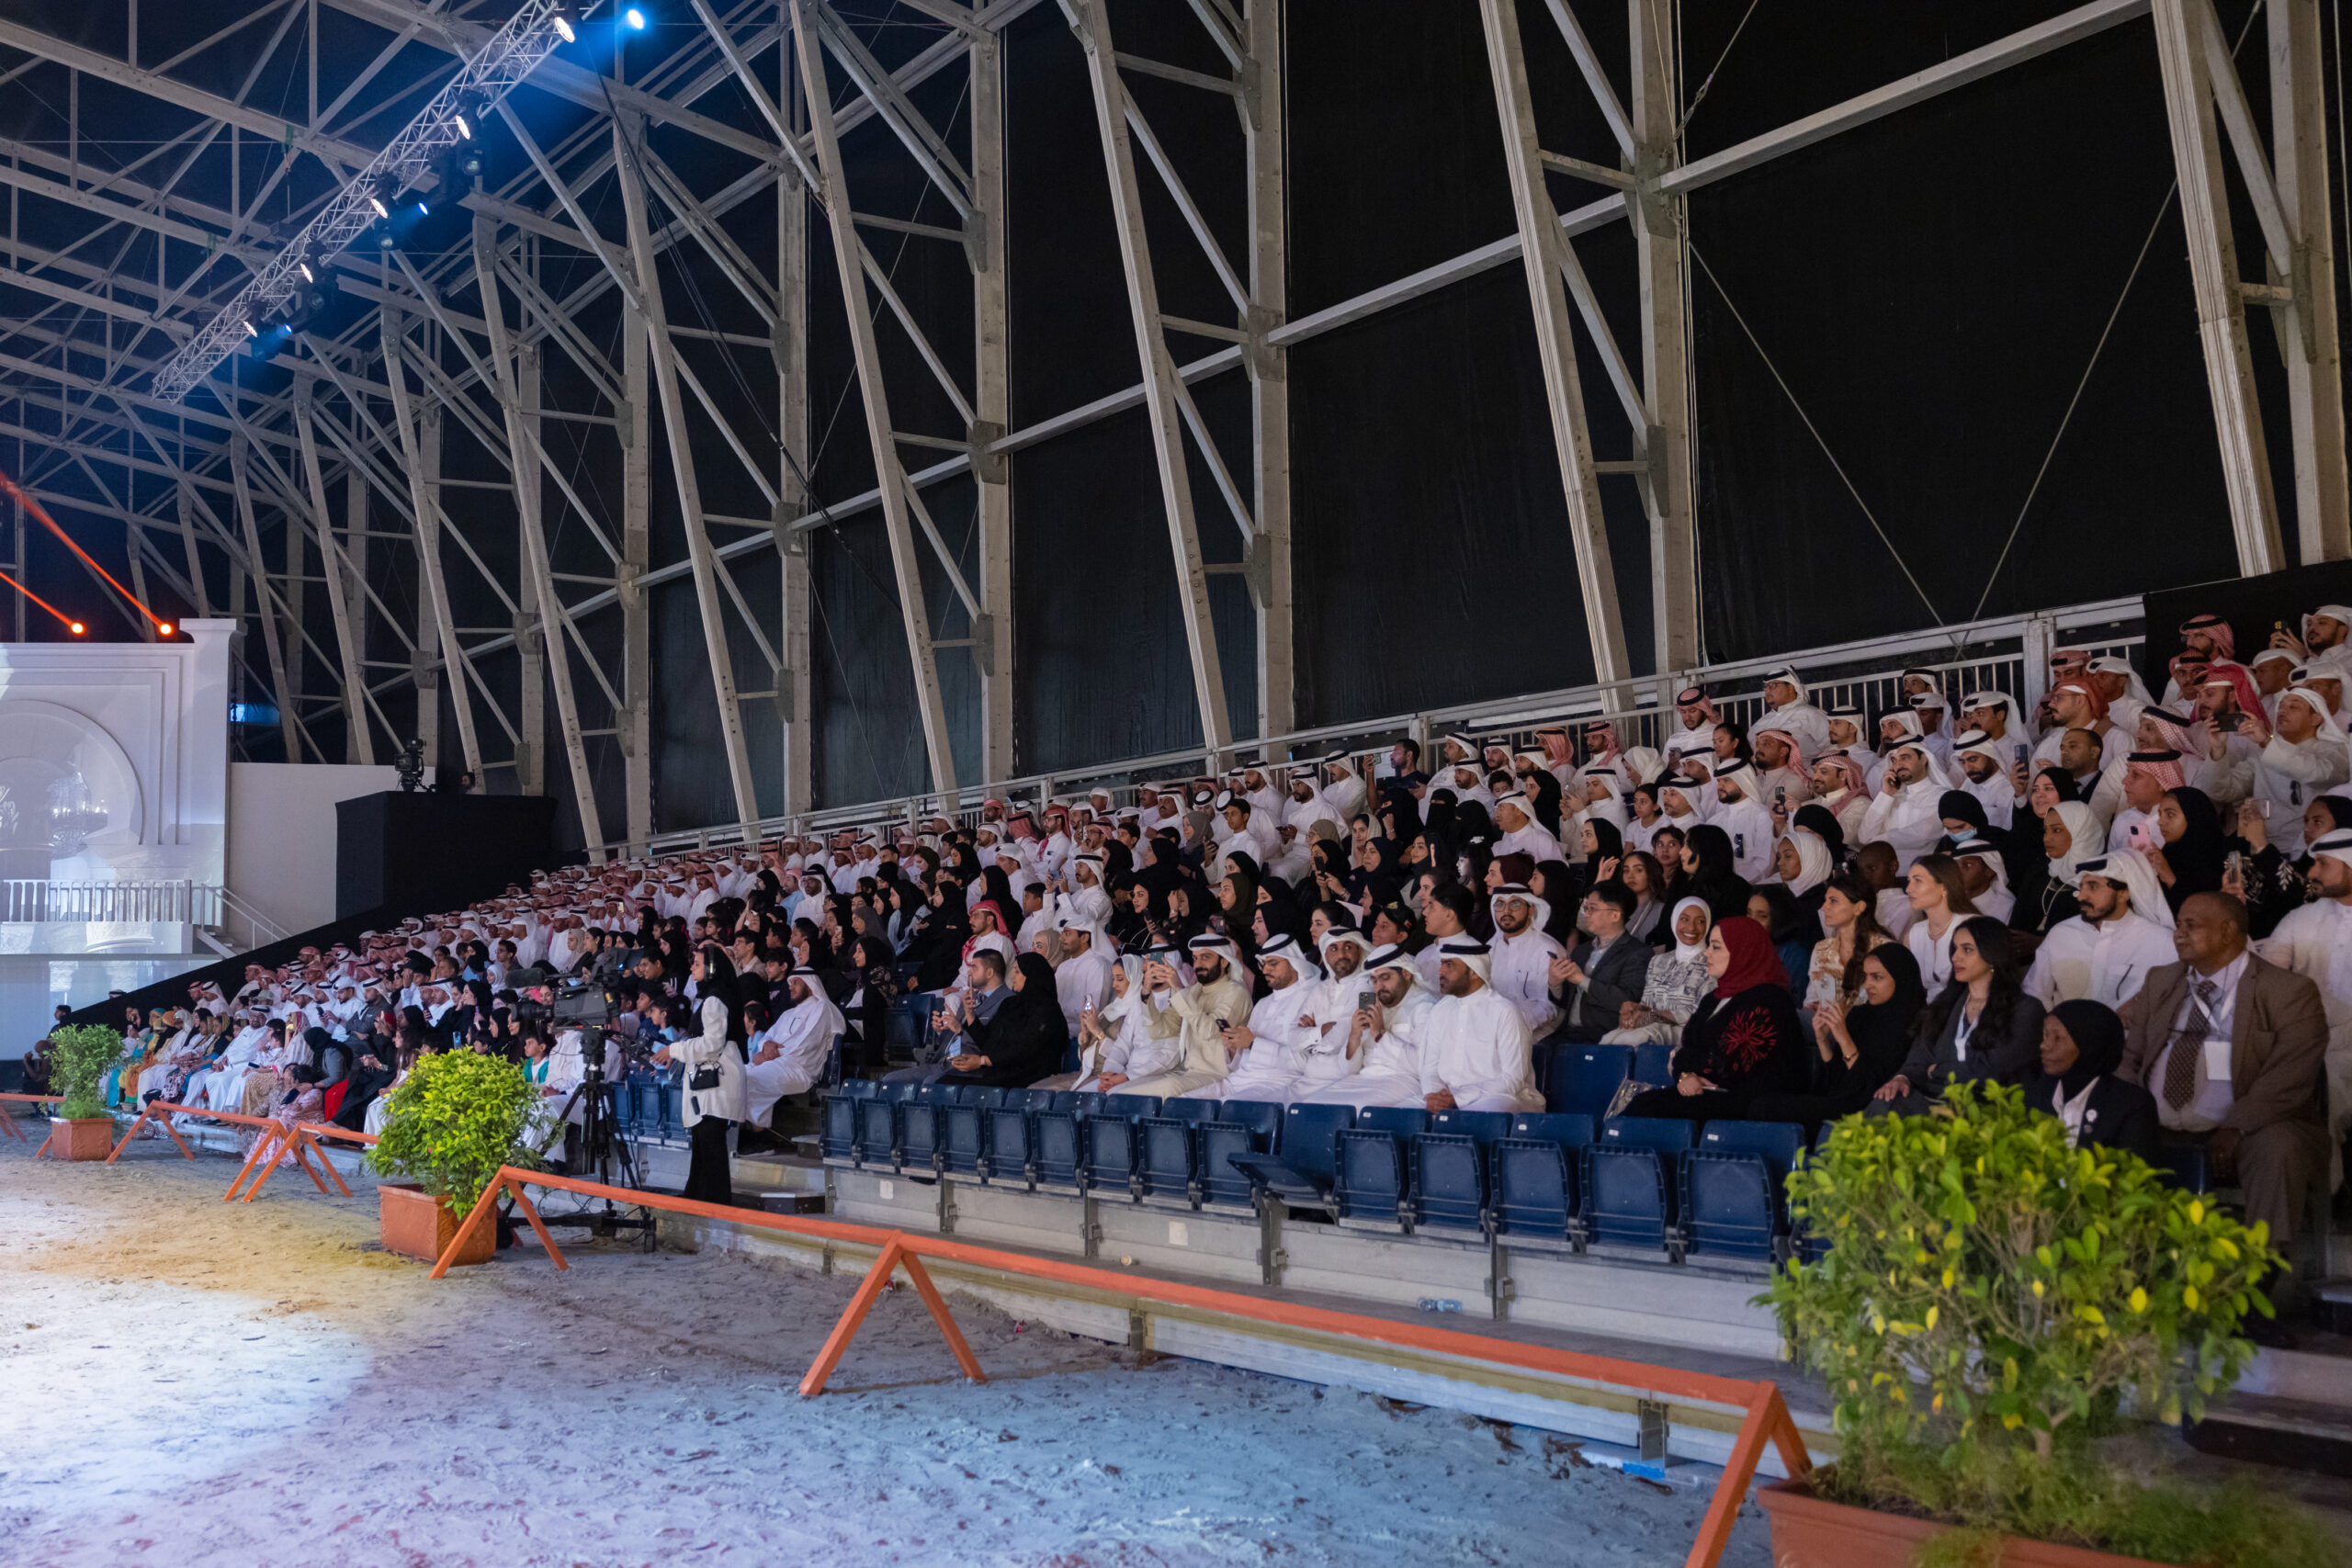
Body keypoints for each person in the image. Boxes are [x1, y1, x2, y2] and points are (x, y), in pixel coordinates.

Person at [2117, 892, 2329, 1306]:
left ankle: (2254, 1287)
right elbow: (2130, 1055)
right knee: (2102, 1126)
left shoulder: (2287, 990)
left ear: (2229, 931)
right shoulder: (2162, 980)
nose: (2179, 934)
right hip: (2157, 1122)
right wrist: (2128, 1110)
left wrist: (2236, 1126)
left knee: (2279, 1148)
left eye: (2191, 925)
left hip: (2250, 1126)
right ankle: (2126, 1279)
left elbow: (2291, 1073)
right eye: (2178, 924)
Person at [1619, 917, 1807, 1122]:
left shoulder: (1769, 1000)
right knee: (1642, 1104)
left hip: (1751, 1103)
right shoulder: (1714, 998)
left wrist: (1689, 1068)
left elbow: (1728, 1065)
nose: (1707, 953)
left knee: (1647, 1108)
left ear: (1742, 952)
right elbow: (1686, 1047)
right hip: (1710, 1095)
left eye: (1716, 947)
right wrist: (1686, 1076)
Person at [1871, 915, 2045, 1115]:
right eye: (1954, 949)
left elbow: (1995, 1069)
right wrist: (1902, 1078)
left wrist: (1936, 1070)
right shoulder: (1947, 1003)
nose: (1955, 957)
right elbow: (1920, 1055)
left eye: (1967, 949)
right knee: (1885, 1100)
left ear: (1993, 954)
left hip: (1986, 1104)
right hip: (1935, 1095)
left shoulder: (2026, 1009)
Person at [1748, 943, 1928, 1131]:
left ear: (1900, 978)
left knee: (1765, 1109)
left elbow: (1868, 1088)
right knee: (1761, 1102)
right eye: (1866, 977)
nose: (1868, 984)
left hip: (1867, 1109)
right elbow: (1834, 1079)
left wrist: (1844, 1039)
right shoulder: (1861, 1014)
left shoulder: (1914, 1024)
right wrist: (1823, 1041)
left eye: (1877, 977)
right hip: (1838, 1099)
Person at [2253, 829, 2352, 1156]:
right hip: (2306, 1040)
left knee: (2323, 1083)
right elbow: (2267, 977)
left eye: (2323, 864)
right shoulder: (2301, 918)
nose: (2311, 873)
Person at [2022, 853, 2177, 1010]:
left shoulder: (2162, 943)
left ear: (2124, 893)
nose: (2081, 896)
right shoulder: (2062, 933)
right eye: (2081, 887)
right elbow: (2035, 994)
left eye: (2093, 887)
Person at [1293, 943, 1440, 1108]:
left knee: (1343, 1110)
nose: (1379, 987)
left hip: (1402, 1080)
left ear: (1406, 973)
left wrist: (1380, 1035)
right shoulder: (1373, 1005)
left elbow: (1424, 1065)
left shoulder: (1425, 1007)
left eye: (1386, 977)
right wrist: (1354, 1036)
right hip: (1362, 1078)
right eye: (1374, 980)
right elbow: (1348, 1069)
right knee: (1309, 1106)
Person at [1182, 932, 1322, 1102]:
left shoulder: (1312, 999)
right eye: (1263, 964)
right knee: (1180, 1102)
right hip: (1239, 1080)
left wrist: (1254, 1044)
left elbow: (1305, 1063)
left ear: (1294, 964)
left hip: (1276, 1082)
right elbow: (1244, 1059)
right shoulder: (1263, 1003)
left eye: (1273, 963)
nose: (1266, 970)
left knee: (1225, 1107)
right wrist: (1233, 1049)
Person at [657, 943, 745, 1205]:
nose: (692, 968)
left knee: (710, 1142)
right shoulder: (710, 997)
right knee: (702, 1140)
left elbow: (712, 1044)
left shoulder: (715, 999)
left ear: (711, 968)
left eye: (697, 964)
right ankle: (698, 1197)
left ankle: (715, 1202)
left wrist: (673, 1049)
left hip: (717, 1080)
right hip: (708, 1079)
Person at [1416, 938, 1543, 1113]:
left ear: (1474, 971)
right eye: (1442, 964)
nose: (1441, 971)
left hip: (1498, 1097)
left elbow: (1513, 1079)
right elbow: (1430, 1069)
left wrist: (1458, 1099)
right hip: (1448, 1095)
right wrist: (1434, 1096)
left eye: (1449, 965)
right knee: (1401, 1112)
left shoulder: (1505, 1011)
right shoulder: (1440, 1010)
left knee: (1488, 1112)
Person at [1121, 934, 1254, 1098]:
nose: (1198, 964)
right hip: (1187, 1072)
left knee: (1152, 1091)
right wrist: (1146, 993)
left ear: (1224, 961)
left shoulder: (1236, 992)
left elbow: (1208, 1031)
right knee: (1121, 1090)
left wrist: (1179, 988)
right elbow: (1160, 1030)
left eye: (1205, 957)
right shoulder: (1194, 991)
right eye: (1195, 958)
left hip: (1217, 1075)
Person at [2025, 999, 2158, 1161]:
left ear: (2088, 1045)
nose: (2044, 1046)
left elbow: (2133, 1173)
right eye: (2046, 1035)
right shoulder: (2035, 1092)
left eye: (2057, 1038)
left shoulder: (2133, 1106)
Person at [939, 952, 1071, 1089]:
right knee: (944, 1082)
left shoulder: (1048, 1011)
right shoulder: (1011, 1004)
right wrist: (970, 1013)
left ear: (1032, 975)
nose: (1013, 976)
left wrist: (983, 1061)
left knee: (952, 1086)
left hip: (1028, 1075)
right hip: (1000, 1070)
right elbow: (988, 1041)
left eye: (1017, 972)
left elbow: (1026, 1049)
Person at [1600, 897, 1713, 1047]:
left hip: (1686, 1031)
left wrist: (1654, 1016)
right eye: (1684, 919)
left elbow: (1702, 1011)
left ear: (1708, 924)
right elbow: (1646, 1004)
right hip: (1650, 1025)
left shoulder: (1712, 963)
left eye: (1700, 921)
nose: (1691, 927)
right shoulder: (1658, 961)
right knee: (1608, 1039)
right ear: (1674, 920)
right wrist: (1634, 1012)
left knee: (1638, 1037)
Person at [1548, 883, 1653, 1043]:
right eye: (1586, 908)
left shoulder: (1638, 953)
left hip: (1604, 1037)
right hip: (1567, 1033)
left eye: (1592, 908)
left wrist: (1582, 980)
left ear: (1615, 915)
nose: (1586, 914)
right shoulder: (1581, 951)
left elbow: (1628, 1001)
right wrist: (1555, 983)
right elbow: (1565, 1002)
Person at [1902, 853, 1978, 992]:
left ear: (1944, 887)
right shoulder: (1914, 934)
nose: (1908, 889)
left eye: (1917, 880)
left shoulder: (1971, 926)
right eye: (1909, 881)